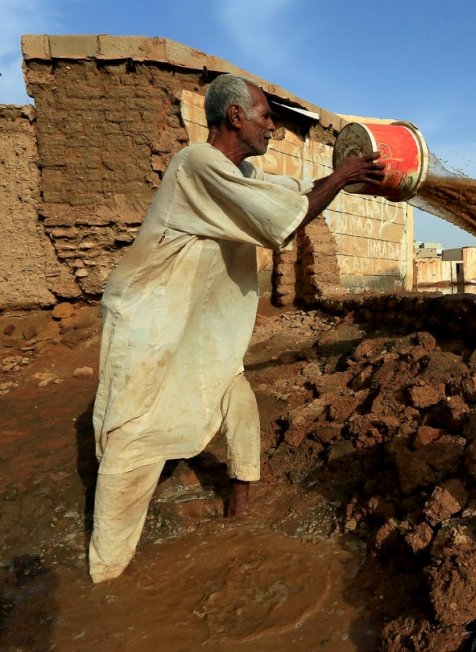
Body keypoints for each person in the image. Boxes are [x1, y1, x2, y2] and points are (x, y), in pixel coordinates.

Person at [88, 73, 385, 583]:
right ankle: (106, 572)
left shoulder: (239, 173)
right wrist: (341, 179)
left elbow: (292, 194)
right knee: (132, 438)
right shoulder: (197, 164)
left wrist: (348, 176)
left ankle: (239, 507)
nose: (272, 128)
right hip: (152, 326)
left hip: (198, 330)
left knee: (236, 398)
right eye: (267, 116)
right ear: (235, 117)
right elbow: (284, 222)